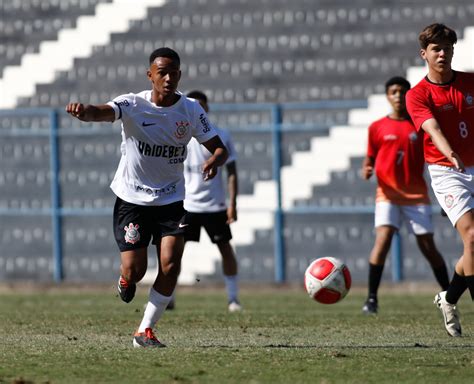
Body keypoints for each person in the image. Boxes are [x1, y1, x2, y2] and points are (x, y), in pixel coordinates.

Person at [65, 47, 228, 347]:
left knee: (170, 263)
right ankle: (125, 279)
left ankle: (145, 330)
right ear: (150, 74)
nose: (168, 78)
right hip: (132, 201)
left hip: (172, 201)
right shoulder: (133, 103)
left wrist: (214, 161)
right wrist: (83, 111)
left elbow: (220, 147)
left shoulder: (191, 110)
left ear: (180, 74)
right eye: (162, 72)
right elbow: (101, 112)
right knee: (135, 271)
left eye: (174, 72)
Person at [406, 23, 474, 337]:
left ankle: (448, 297)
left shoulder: (470, 83)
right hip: (447, 172)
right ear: (424, 54)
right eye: (436, 49)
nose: (442, 53)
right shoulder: (417, 94)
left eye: (447, 48)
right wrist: (450, 153)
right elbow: (432, 129)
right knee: (472, 238)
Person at [361, 76, 450, 315]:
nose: (398, 96)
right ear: (387, 96)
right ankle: (371, 299)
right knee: (383, 240)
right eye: (393, 91)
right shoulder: (377, 127)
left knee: (428, 246)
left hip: (416, 195)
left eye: (402, 91)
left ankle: (451, 295)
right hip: (387, 194)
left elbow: (435, 158)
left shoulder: (419, 126)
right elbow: (370, 157)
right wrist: (367, 167)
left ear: (408, 96)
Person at [170, 90, 242, 312]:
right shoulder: (177, 135)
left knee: (225, 249)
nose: (198, 110)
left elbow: (231, 171)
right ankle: (168, 298)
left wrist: (232, 203)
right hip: (186, 204)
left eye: (202, 106)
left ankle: (233, 298)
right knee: (174, 252)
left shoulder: (220, 136)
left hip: (214, 205)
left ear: (207, 109)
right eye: (194, 106)